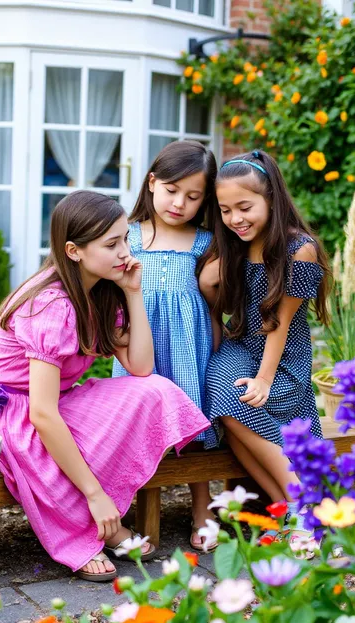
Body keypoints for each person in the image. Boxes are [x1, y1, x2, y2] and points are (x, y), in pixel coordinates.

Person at [0, 191, 210, 581]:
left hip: (53, 402)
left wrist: (134, 291)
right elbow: (42, 414)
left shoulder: (100, 290)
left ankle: (101, 512)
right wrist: (95, 494)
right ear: (74, 251)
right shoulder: (50, 304)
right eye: (111, 244)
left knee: (155, 390)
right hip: (10, 414)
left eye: (124, 240)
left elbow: (141, 367)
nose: (124, 252)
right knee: (47, 453)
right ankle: (92, 528)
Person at [199, 150, 331, 552]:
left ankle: (302, 505)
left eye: (244, 207)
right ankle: (293, 506)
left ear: (270, 198)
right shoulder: (236, 245)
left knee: (239, 403)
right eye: (225, 210)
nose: (235, 219)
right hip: (241, 346)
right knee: (221, 395)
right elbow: (220, 304)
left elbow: (279, 323)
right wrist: (209, 279)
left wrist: (265, 379)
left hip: (282, 357)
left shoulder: (299, 250)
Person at [113, 141, 218, 551]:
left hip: (190, 351)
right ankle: (119, 511)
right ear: (152, 182)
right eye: (172, 190)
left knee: (192, 423)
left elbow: (214, 304)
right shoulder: (128, 236)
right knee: (134, 425)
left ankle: (202, 507)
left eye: (193, 197)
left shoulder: (205, 241)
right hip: (139, 348)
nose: (180, 203)